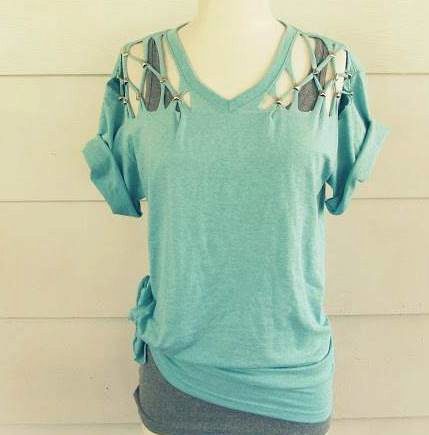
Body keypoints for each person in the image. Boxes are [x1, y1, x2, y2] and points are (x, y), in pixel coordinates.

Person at [81, 1, 390, 434]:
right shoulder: (138, 68)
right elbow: (126, 189)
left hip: (293, 378)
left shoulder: (331, 68)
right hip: (177, 376)